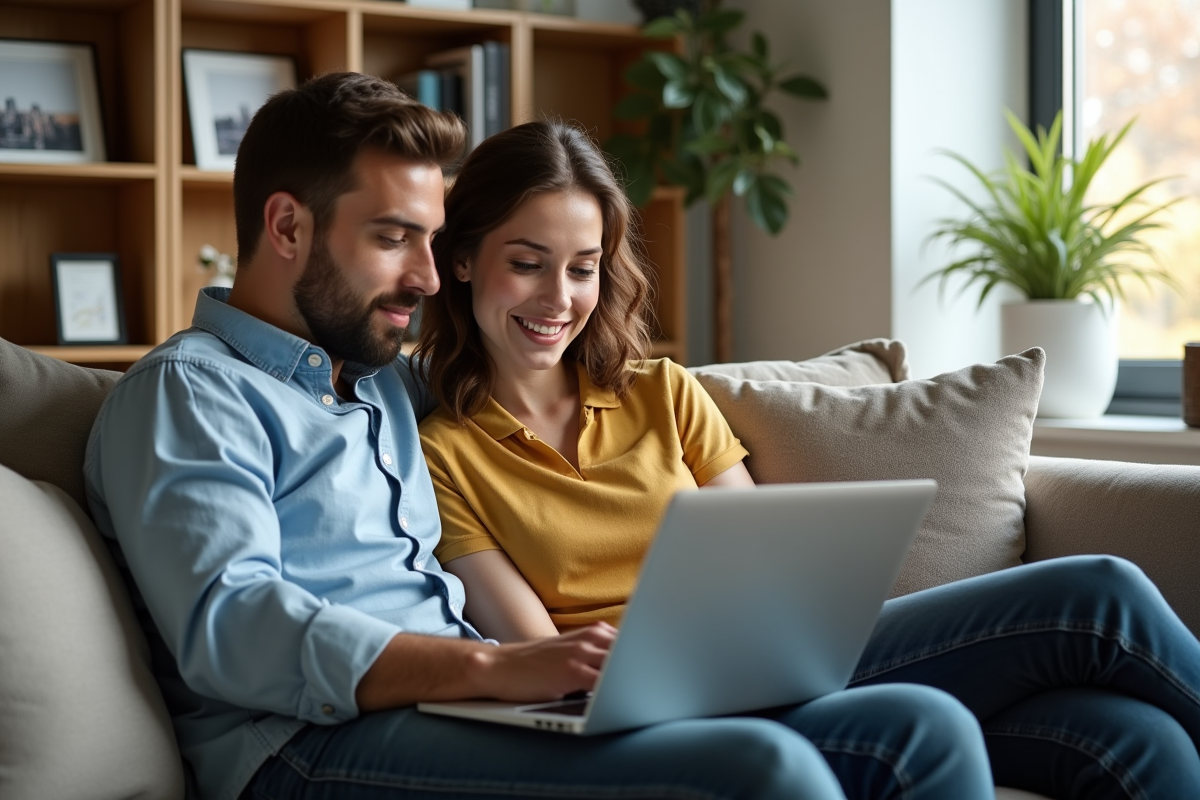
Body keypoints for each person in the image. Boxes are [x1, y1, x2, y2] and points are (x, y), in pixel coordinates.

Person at [84, 73, 997, 800]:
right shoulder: (189, 395)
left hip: (472, 712)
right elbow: (233, 626)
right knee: (767, 772)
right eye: (395, 239)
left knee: (922, 729)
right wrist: (495, 667)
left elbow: (527, 352)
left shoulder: (386, 387)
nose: (430, 278)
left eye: (436, 243)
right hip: (306, 748)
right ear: (286, 225)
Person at [416, 119, 1200, 800]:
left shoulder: (662, 392)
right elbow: (537, 658)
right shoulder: (443, 453)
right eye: (527, 262)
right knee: (1099, 592)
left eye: (583, 267)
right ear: (461, 260)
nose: (559, 297)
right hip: (649, 699)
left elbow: (767, 565)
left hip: (776, 659)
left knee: (1130, 737)